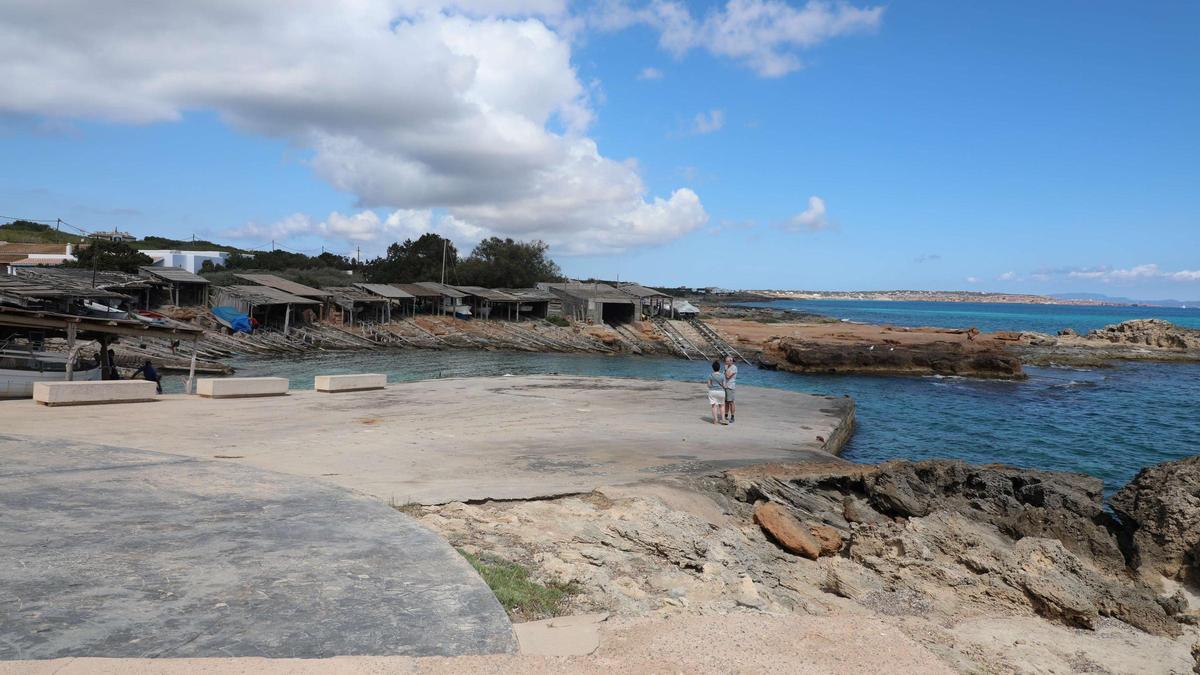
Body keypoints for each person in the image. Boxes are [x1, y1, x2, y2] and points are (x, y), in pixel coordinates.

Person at [706, 359, 726, 425]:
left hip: (712, 391)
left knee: (714, 406)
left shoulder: (710, 375)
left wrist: (712, 386)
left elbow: (708, 385)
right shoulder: (722, 375)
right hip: (721, 392)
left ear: (713, 368)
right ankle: (723, 419)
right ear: (719, 368)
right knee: (722, 405)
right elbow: (724, 385)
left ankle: (715, 420)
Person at [723, 355, 738, 423]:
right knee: (726, 402)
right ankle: (725, 415)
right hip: (725, 386)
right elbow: (724, 376)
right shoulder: (726, 366)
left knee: (731, 402)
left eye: (727, 361)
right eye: (725, 361)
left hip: (730, 387)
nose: (725, 362)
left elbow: (728, 376)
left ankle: (732, 417)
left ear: (731, 361)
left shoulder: (734, 368)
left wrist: (726, 370)